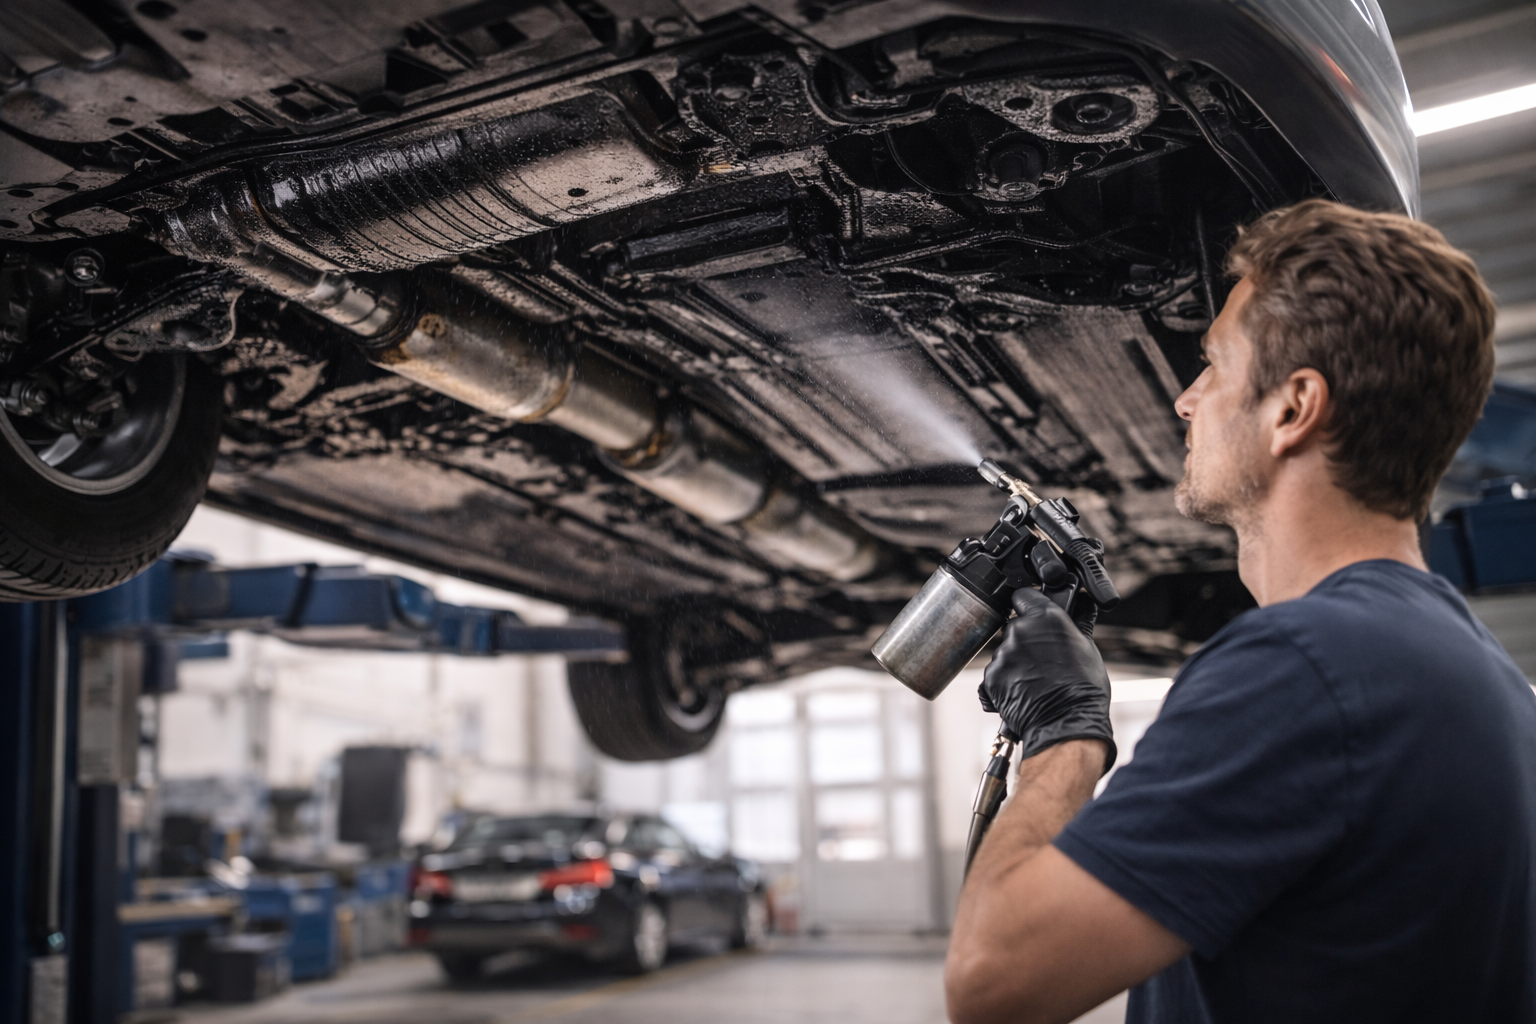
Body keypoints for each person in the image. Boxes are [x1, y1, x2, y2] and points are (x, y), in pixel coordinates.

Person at [944, 199, 1533, 1024]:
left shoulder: (1310, 668)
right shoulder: (1483, 679)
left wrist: (1064, 732)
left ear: (1293, 409)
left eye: (1214, 364)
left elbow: (990, 980)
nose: (1187, 400)